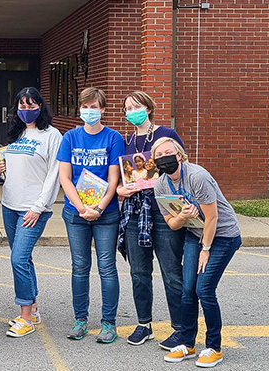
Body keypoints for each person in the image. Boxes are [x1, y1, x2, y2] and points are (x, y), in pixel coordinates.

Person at [151, 137, 241, 369]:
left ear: (179, 155)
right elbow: (172, 223)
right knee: (187, 289)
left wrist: (206, 249)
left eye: (168, 153)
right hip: (194, 232)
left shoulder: (196, 176)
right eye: (159, 156)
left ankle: (214, 347)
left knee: (204, 289)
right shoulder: (160, 185)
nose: (164, 159)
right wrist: (182, 215)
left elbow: (212, 217)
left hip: (222, 235)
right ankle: (188, 343)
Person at [116, 91, 186, 348]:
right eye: (127, 108)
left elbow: (183, 167)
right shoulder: (128, 141)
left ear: (148, 108)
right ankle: (144, 324)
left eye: (136, 106)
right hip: (135, 213)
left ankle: (180, 328)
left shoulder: (166, 135)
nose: (131, 111)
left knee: (171, 272)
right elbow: (122, 179)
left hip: (164, 211)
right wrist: (120, 191)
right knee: (139, 272)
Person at [0, 87, 63, 338]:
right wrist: (1, 168)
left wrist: (38, 207)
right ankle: (32, 308)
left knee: (18, 259)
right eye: (21, 106)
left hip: (33, 208)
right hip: (9, 204)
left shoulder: (52, 135)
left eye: (31, 105)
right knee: (24, 258)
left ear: (41, 107)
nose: (26, 110)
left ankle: (25, 319)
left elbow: (54, 175)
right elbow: (15, 169)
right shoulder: (17, 133)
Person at [57, 87, 124, 344]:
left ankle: (109, 323)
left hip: (105, 213)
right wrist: (81, 207)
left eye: (94, 107)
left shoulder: (113, 138)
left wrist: (99, 207)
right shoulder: (70, 138)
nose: (89, 111)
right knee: (80, 267)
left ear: (103, 110)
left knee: (107, 267)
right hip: (76, 213)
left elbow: (113, 178)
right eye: (85, 107)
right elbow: (65, 177)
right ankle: (80, 320)